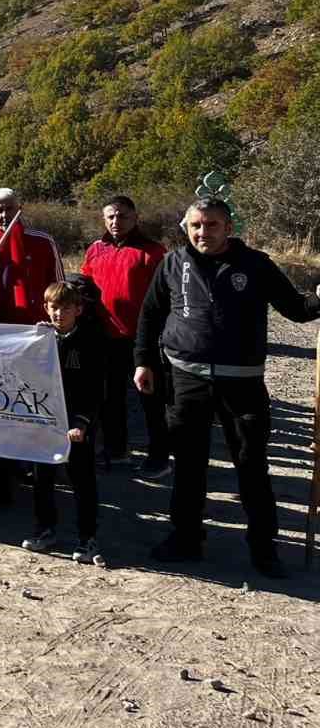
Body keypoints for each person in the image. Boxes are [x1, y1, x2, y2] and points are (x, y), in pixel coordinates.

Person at [134, 197, 320, 578]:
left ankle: (264, 549)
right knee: (188, 465)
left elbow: (296, 309)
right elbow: (151, 314)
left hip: (242, 382)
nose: (203, 232)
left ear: (229, 227)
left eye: (212, 225)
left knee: (251, 465)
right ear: (186, 227)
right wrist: (143, 361)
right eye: (196, 225)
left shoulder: (256, 265)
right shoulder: (172, 263)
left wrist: (319, 298)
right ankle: (185, 539)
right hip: (186, 378)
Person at [81, 195, 168, 477]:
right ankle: (117, 449)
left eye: (122, 216)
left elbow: (166, 295)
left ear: (135, 218)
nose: (116, 222)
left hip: (143, 338)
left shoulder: (152, 251)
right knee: (110, 397)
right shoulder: (96, 249)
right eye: (110, 217)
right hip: (106, 335)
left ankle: (159, 457)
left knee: (150, 399)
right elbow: (86, 287)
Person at [22, 282, 105, 562]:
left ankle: (87, 538)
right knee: (41, 478)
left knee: (81, 481)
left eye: (66, 308)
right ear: (46, 308)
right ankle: (45, 529)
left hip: (76, 423)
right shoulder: (41, 339)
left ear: (78, 310)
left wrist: (81, 422)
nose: (59, 313)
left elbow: (94, 389)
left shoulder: (90, 340)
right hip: (45, 420)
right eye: (54, 307)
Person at [0, 188, 65, 324]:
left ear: (19, 209)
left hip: (37, 324)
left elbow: (59, 286)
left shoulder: (43, 242)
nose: (5, 215)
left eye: (10, 208)